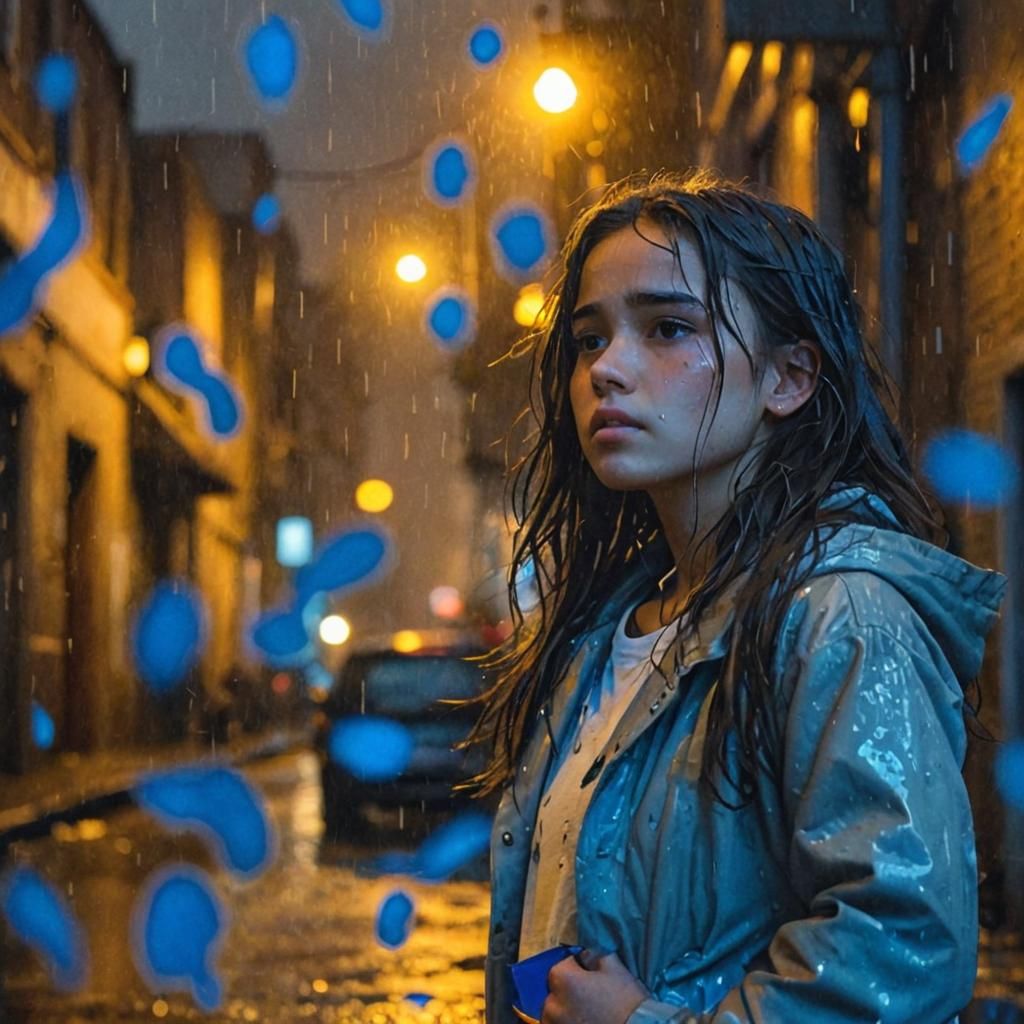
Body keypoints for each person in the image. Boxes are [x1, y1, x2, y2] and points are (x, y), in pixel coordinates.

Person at [461, 170, 1007, 1023]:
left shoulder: (839, 617)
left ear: (789, 378)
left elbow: (900, 954)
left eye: (669, 328)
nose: (607, 369)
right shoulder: (605, 634)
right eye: (589, 339)